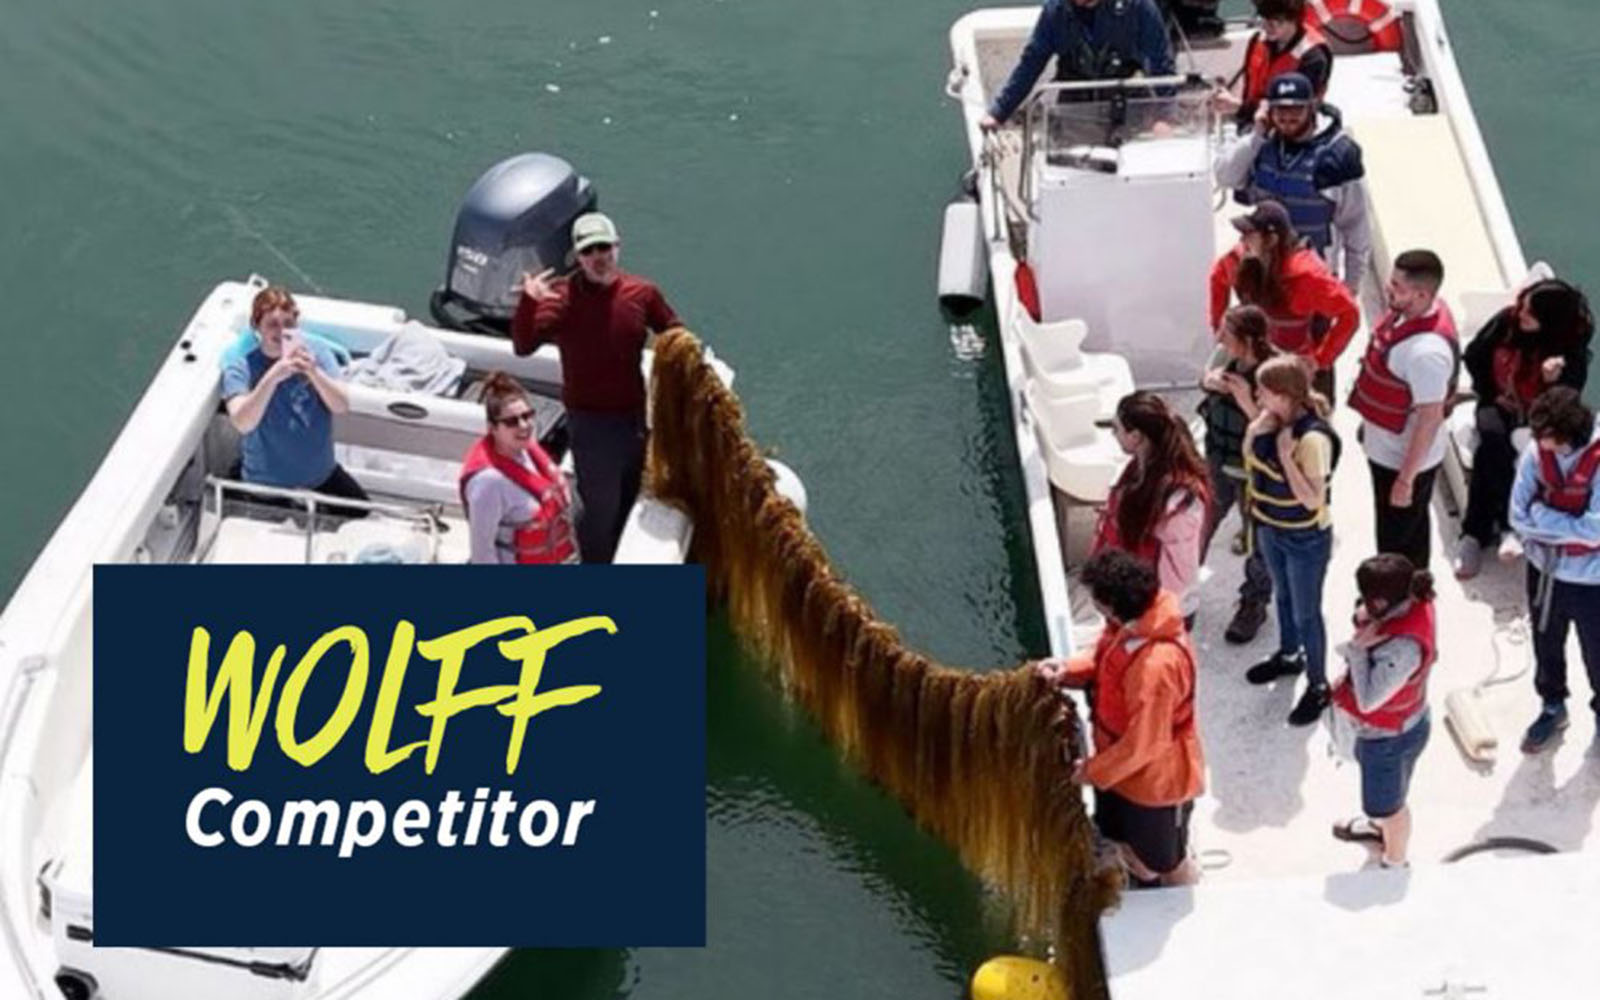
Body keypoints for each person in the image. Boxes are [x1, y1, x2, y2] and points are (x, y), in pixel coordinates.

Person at [512, 212, 682, 563]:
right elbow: (523, 346)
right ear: (578, 257)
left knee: (629, 497)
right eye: (589, 251)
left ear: (617, 248)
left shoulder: (643, 294)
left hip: (633, 418)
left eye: (604, 247)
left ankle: (621, 556)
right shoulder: (560, 298)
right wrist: (530, 302)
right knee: (599, 511)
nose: (598, 257)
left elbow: (675, 333)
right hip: (589, 423)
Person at [1034, 550, 1203, 886]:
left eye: (1098, 601)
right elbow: (1103, 662)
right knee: (1120, 836)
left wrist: (1093, 772)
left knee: (1164, 860)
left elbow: (1145, 746)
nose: (1095, 607)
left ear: (1113, 604)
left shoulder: (1156, 668)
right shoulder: (1129, 627)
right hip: (1116, 770)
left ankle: (1173, 893)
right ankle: (1135, 870)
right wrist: (1066, 670)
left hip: (1154, 785)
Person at [1454, 279, 1594, 578]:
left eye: (1530, 314)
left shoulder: (1570, 350)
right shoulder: (1507, 321)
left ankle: (1496, 528)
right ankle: (1479, 531)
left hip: (1541, 413)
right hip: (1497, 398)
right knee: (1492, 440)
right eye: (1523, 307)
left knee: (1528, 452)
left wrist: (1554, 380)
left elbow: (1567, 404)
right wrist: (1493, 393)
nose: (1521, 315)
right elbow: (1475, 354)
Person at [1243, 355, 1341, 726]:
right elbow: (1251, 461)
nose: (1257, 396)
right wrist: (1257, 430)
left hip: (1305, 537)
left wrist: (1286, 456)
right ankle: (1288, 655)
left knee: (1307, 612)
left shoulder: (1312, 439)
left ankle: (1318, 684)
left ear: (1283, 395)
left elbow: (1313, 498)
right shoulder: (1271, 422)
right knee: (1282, 596)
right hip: (1271, 527)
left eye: (1263, 391)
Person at [1349, 250, 1458, 569]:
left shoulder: (1427, 354)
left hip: (1400, 460)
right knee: (1410, 527)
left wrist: (1405, 480)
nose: (1388, 288)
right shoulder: (1406, 313)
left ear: (1422, 294)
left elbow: (1429, 417)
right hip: (1384, 444)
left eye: (1397, 285)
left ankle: (1399, 600)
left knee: (1396, 540)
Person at [1214, 71, 1370, 294]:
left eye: (1296, 110)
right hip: (1265, 273)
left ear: (1312, 107)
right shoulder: (1259, 144)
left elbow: (1356, 226)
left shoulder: (1338, 155)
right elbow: (1225, 176)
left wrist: (1351, 287)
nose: (1287, 119)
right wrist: (1257, 134)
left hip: (1314, 276)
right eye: (1280, 111)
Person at [1507, 387, 1600, 754]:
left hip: (1592, 580)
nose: (1546, 452)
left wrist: (1542, 516)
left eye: (1555, 446)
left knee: (1597, 653)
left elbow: (1596, 530)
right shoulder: (1537, 451)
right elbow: (1517, 515)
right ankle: (1552, 705)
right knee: (1546, 646)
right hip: (1545, 573)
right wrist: (1560, 526)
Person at [1328, 553, 1436, 869]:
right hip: (1396, 728)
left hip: (1389, 739)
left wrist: (1358, 650)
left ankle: (1394, 861)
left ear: (1382, 601)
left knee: (1391, 807)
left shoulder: (1402, 648)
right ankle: (1379, 829)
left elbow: (1369, 700)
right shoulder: (1414, 599)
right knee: (1387, 800)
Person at [221, 285, 367, 515]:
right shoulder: (241, 366)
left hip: (321, 475)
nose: (281, 332)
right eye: (272, 325)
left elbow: (340, 405)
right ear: (256, 326)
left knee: (362, 513)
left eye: (288, 324)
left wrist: (313, 372)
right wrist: (273, 377)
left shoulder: (317, 352)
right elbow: (242, 422)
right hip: (266, 486)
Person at [1209, 200, 1360, 400]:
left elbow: (1350, 313)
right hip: (1251, 358)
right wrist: (1219, 327)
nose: (1242, 239)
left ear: (1271, 239)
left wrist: (1319, 360)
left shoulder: (1307, 276)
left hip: (1290, 368)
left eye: (1249, 234)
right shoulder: (1239, 258)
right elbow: (1217, 277)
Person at [1092, 392, 1212, 628]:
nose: (1113, 435)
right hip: (1125, 597)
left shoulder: (1179, 501)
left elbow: (1179, 573)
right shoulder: (1140, 469)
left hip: (1147, 611)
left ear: (1136, 436)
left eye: (1116, 429)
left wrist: (1144, 618)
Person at [1199, 305, 1278, 642]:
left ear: (1246, 340)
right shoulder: (1224, 357)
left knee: (1260, 542)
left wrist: (1246, 400)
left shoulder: (1275, 373)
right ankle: (1177, 585)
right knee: (1199, 523)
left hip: (1256, 474)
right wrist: (1212, 381)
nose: (1219, 339)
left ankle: (1253, 604)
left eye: (1227, 335)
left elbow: (1276, 427)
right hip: (1218, 461)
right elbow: (1204, 376)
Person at [979, 0, 1176, 129]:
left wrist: (1164, 117)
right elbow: (1031, 63)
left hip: (1129, 110)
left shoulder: (1139, 7)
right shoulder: (1055, 12)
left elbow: (1161, 62)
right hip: (1074, 113)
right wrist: (999, 112)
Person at [459, 372, 578, 565]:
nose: (523, 425)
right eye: (511, 421)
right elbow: (482, 554)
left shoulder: (528, 450)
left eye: (527, 416)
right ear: (492, 428)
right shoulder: (488, 484)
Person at [1214, 0, 1332, 129]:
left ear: (1294, 20)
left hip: (1289, 133)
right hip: (1250, 123)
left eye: (1275, 23)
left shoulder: (1313, 57)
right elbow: (1249, 90)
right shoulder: (1257, 40)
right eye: (1264, 20)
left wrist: (1239, 108)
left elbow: (1297, 113)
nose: (1266, 27)